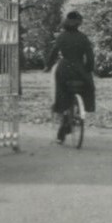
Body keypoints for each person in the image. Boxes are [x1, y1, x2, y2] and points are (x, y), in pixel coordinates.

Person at [45, 10, 96, 143]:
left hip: (64, 70)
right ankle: (83, 109)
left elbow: (53, 53)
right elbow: (90, 57)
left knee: (61, 93)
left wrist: (48, 65)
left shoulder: (61, 37)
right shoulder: (83, 38)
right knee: (88, 87)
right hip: (80, 70)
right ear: (79, 24)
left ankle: (64, 122)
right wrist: (88, 69)